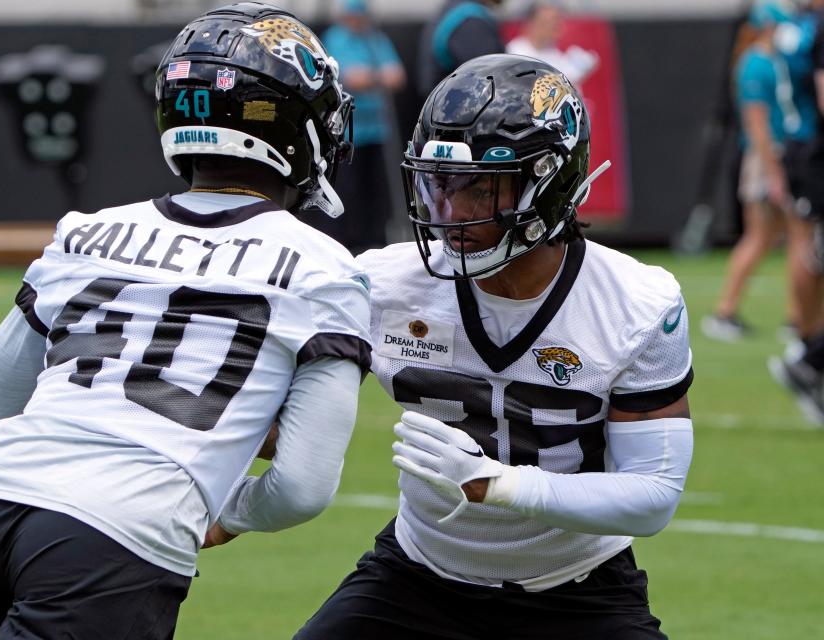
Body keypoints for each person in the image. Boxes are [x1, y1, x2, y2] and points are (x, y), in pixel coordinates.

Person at [0, 4, 372, 638]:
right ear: (294, 127)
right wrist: (224, 509)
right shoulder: (324, 268)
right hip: (114, 530)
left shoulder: (88, 230)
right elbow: (302, 486)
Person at [294, 53, 693, 640]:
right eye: (438, 186)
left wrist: (499, 485)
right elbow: (275, 407)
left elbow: (652, 494)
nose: (450, 214)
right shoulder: (382, 285)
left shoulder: (634, 303)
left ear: (551, 185)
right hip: (417, 576)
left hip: (575, 587)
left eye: (478, 190)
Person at [702, 0, 800, 341]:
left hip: (776, 156)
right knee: (763, 237)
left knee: (788, 238)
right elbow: (756, 124)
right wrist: (774, 171)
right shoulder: (756, 64)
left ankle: (796, 315)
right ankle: (725, 311)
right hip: (765, 158)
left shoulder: (773, 60)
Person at [769, 0, 824, 425]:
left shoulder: (796, 27)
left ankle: (809, 349)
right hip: (814, 151)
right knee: (811, 251)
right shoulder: (815, 27)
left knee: (810, 249)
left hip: (799, 148)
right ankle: (810, 352)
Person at [316, 0, 406, 253]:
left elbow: (397, 76)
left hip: (378, 130)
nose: (357, 20)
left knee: (376, 191)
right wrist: (378, 77)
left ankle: (375, 241)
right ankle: (344, 243)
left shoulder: (376, 39)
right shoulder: (334, 39)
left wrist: (371, 77)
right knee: (347, 190)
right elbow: (352, 77)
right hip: (347, 133)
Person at [418, 0, 506, 98]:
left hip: (439, 100)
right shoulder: (471, 19)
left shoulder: (454, 9)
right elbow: (490, 78)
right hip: (455, 104)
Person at [506, 2, 599, 85]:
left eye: (558, 21)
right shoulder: (514, 51)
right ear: (534, 23)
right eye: (551, 21)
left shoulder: (553, 53)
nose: (558, 26)